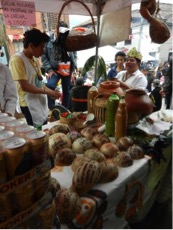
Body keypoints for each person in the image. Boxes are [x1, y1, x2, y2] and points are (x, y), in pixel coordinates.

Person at [9, 28, 61, 126]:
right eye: (41, 47)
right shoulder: (17, 60)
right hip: (28, 104)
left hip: (39, 102)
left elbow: (39, 83)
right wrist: (47, 91)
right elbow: (25, 86)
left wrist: (51, 92)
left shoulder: (34, 60)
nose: (43, 50)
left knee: (43, 129)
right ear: (31, 46)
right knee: (36, 134)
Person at [41, 21, 77, 110]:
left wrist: (74, 65)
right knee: (50, 86)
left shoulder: (68, 39)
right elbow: (44, 55)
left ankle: (64, 109)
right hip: (54, 68)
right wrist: (49, 69)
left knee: (66, 90)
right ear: (56, 30)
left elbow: (74, 52)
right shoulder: (49, 40)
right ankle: (52, 109)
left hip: (66, 66)